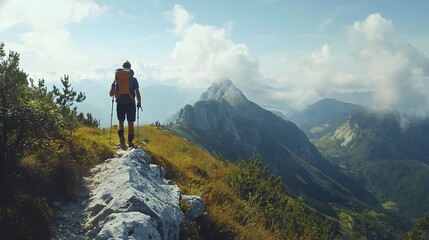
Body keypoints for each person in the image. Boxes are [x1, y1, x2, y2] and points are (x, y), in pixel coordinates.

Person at [109, 60, 141, 149]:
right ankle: (130, 142)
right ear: (130, 68)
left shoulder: (117, 79)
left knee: (121, 122)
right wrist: (139, 102)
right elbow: (137, 92)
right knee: (131, 123)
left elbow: (111, 94)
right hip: (130, 103)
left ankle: (121, 139)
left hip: (120, 103)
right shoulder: (133, 80)